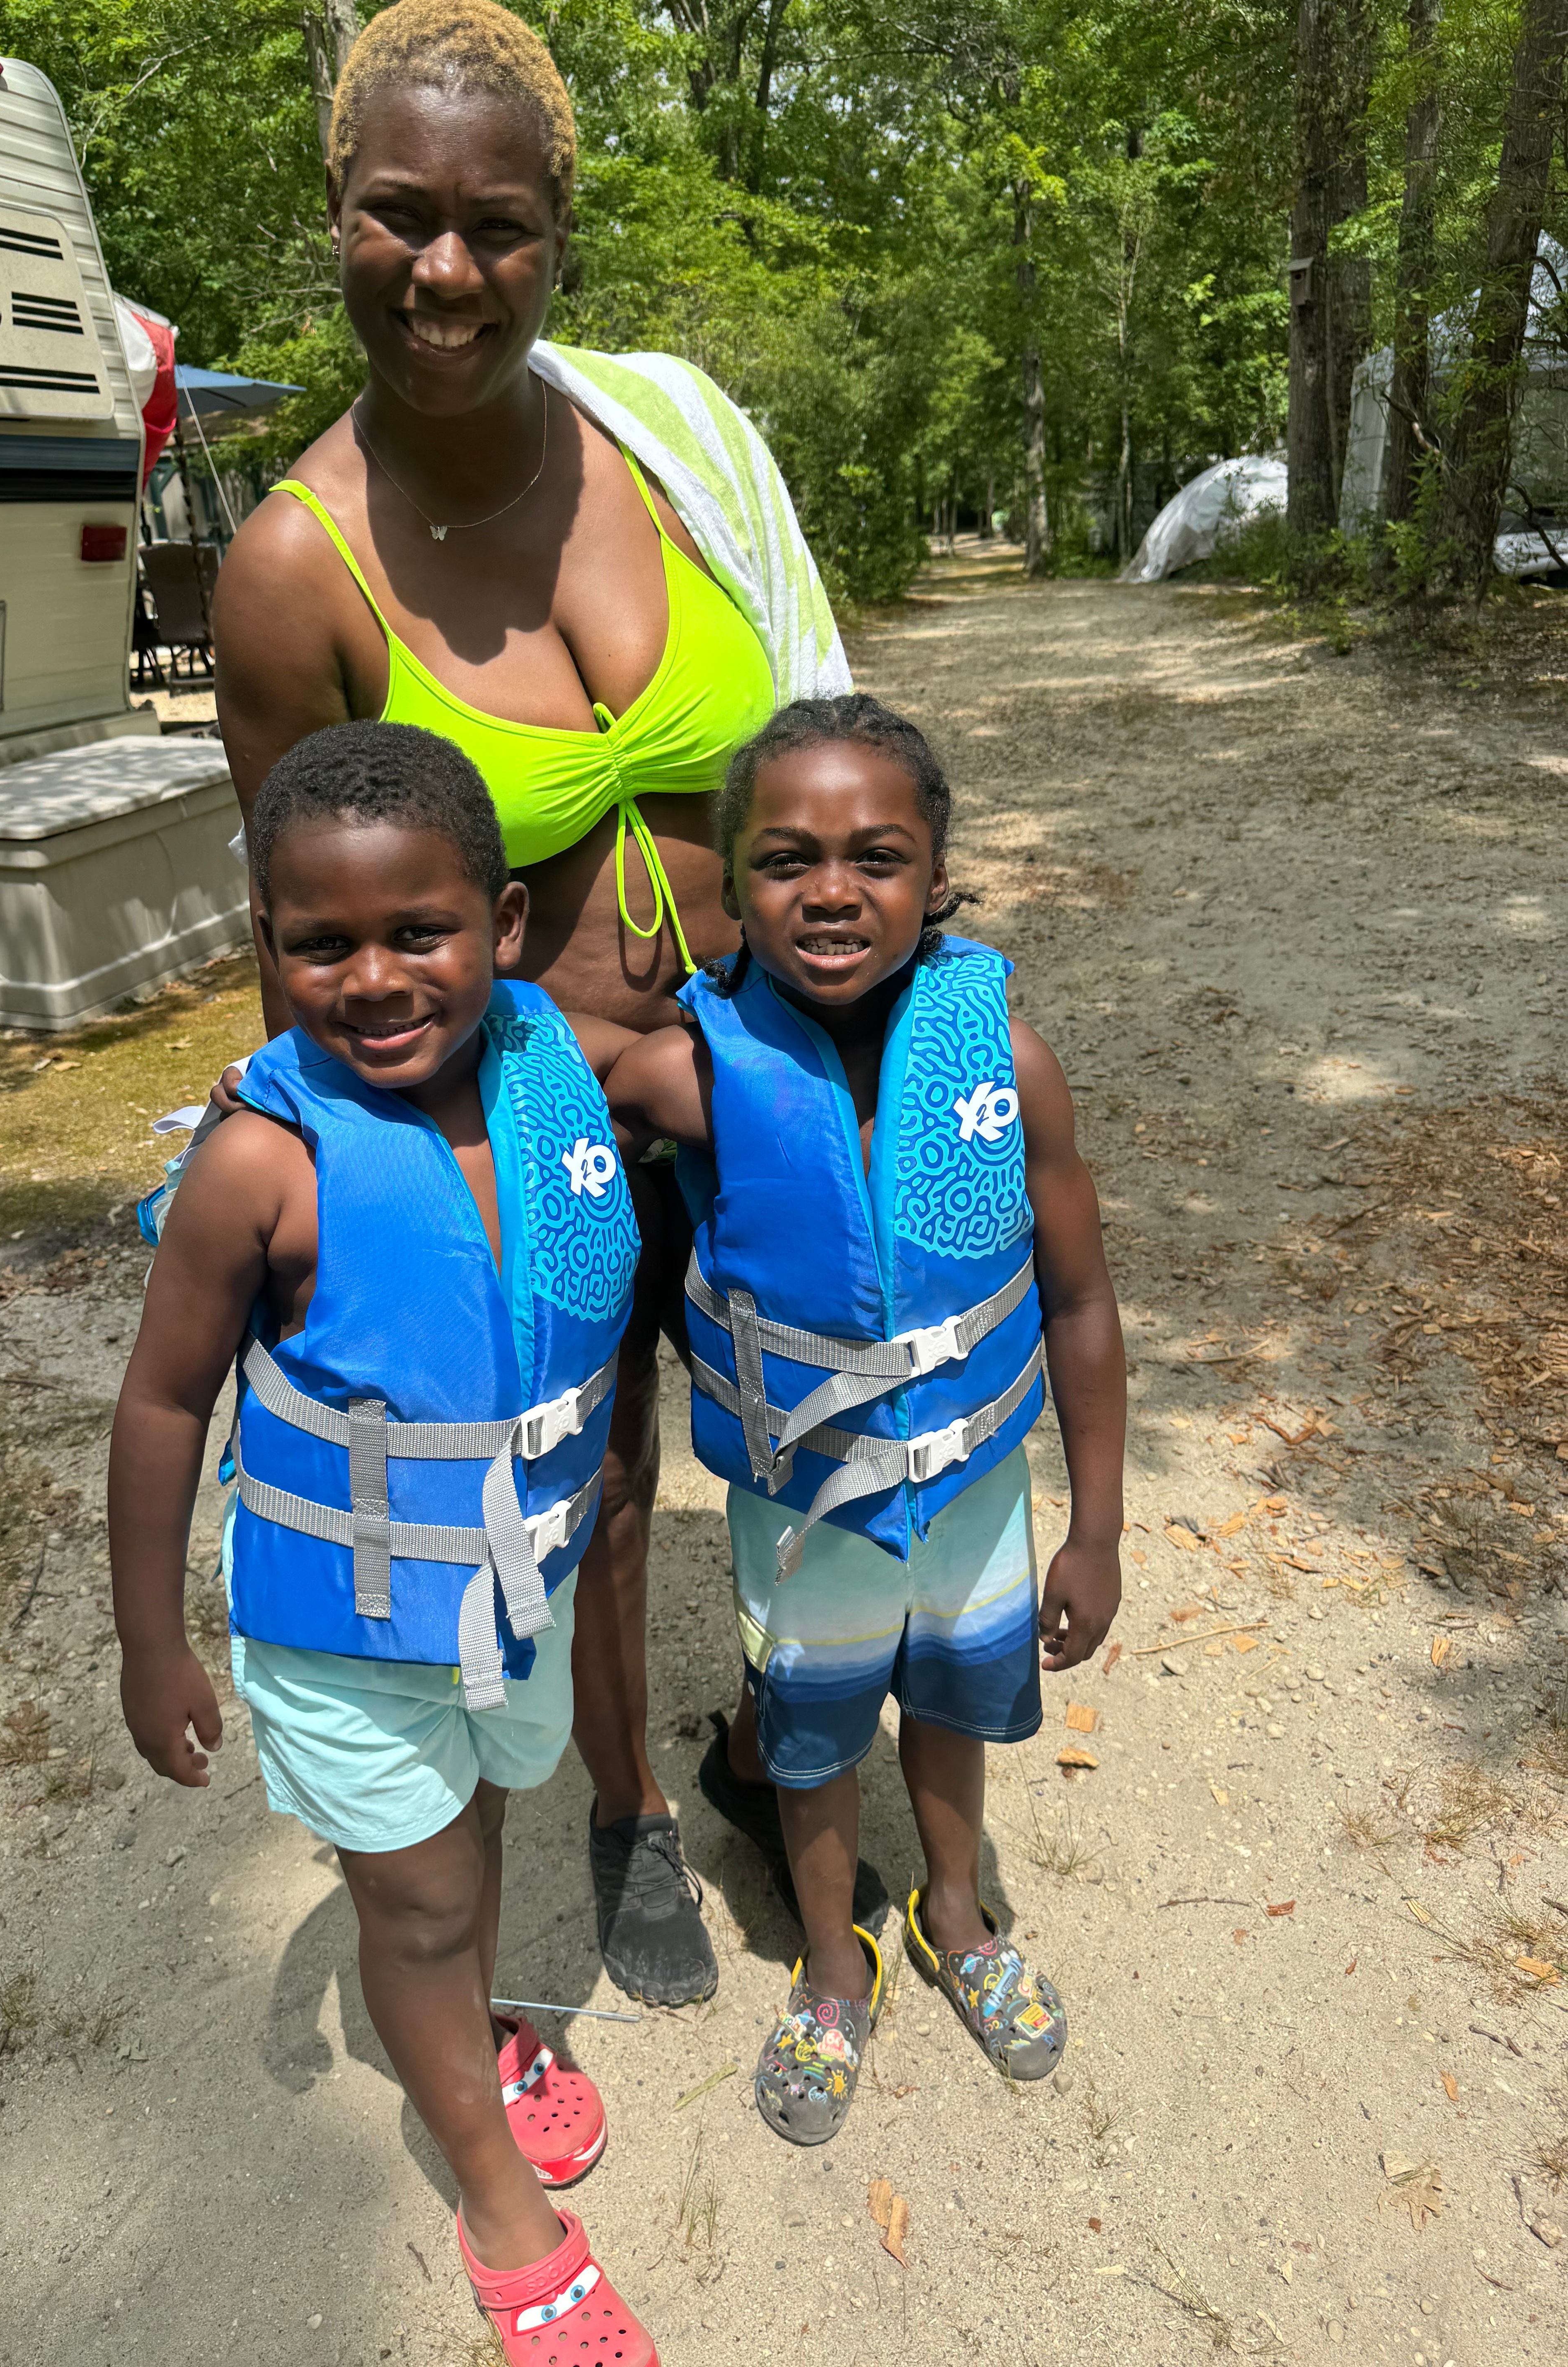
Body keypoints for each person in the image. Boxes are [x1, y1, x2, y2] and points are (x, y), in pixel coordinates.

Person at [211, 0, 850, 2006]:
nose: (447, 270)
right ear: (338, 212)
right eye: (399, 215)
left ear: (561, 228)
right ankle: (621, 1807)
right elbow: (309, 937)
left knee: (830, 1432)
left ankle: (771, 1745)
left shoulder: (678, 434)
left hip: (769, 1070)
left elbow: (832, 734)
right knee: (595, 1477)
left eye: (497, 223)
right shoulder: (291, 574)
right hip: (533, 1123)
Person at [109, 721, 658, 2361]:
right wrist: (155, 1642)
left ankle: (471, 2022)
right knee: (412, 1903)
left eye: (419, 931)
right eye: (321, 943)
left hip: (514, 1594)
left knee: (473, 1833)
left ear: (499, 924)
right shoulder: (259, 1166)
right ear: (268, 947)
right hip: (348, 1634)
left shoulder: (554, 1069)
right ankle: (502, 2205)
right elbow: (157, 1409)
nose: (375, 979)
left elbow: (719, 1075)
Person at [605, 695, 1126, 2145]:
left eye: (876, 855)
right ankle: (833, 1967)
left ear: (938, 878)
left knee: (955, 1712)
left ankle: (954, 1918)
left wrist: (1097, 1529)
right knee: (815, 1737)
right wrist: (287, 1091)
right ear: (732, 884)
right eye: (784, 858)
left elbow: (1080, 1305)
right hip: (807, 1511)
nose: (831, 890)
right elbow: (494, 1105)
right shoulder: (682, 1075)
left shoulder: (1007, 1067)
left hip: (970, 1494)